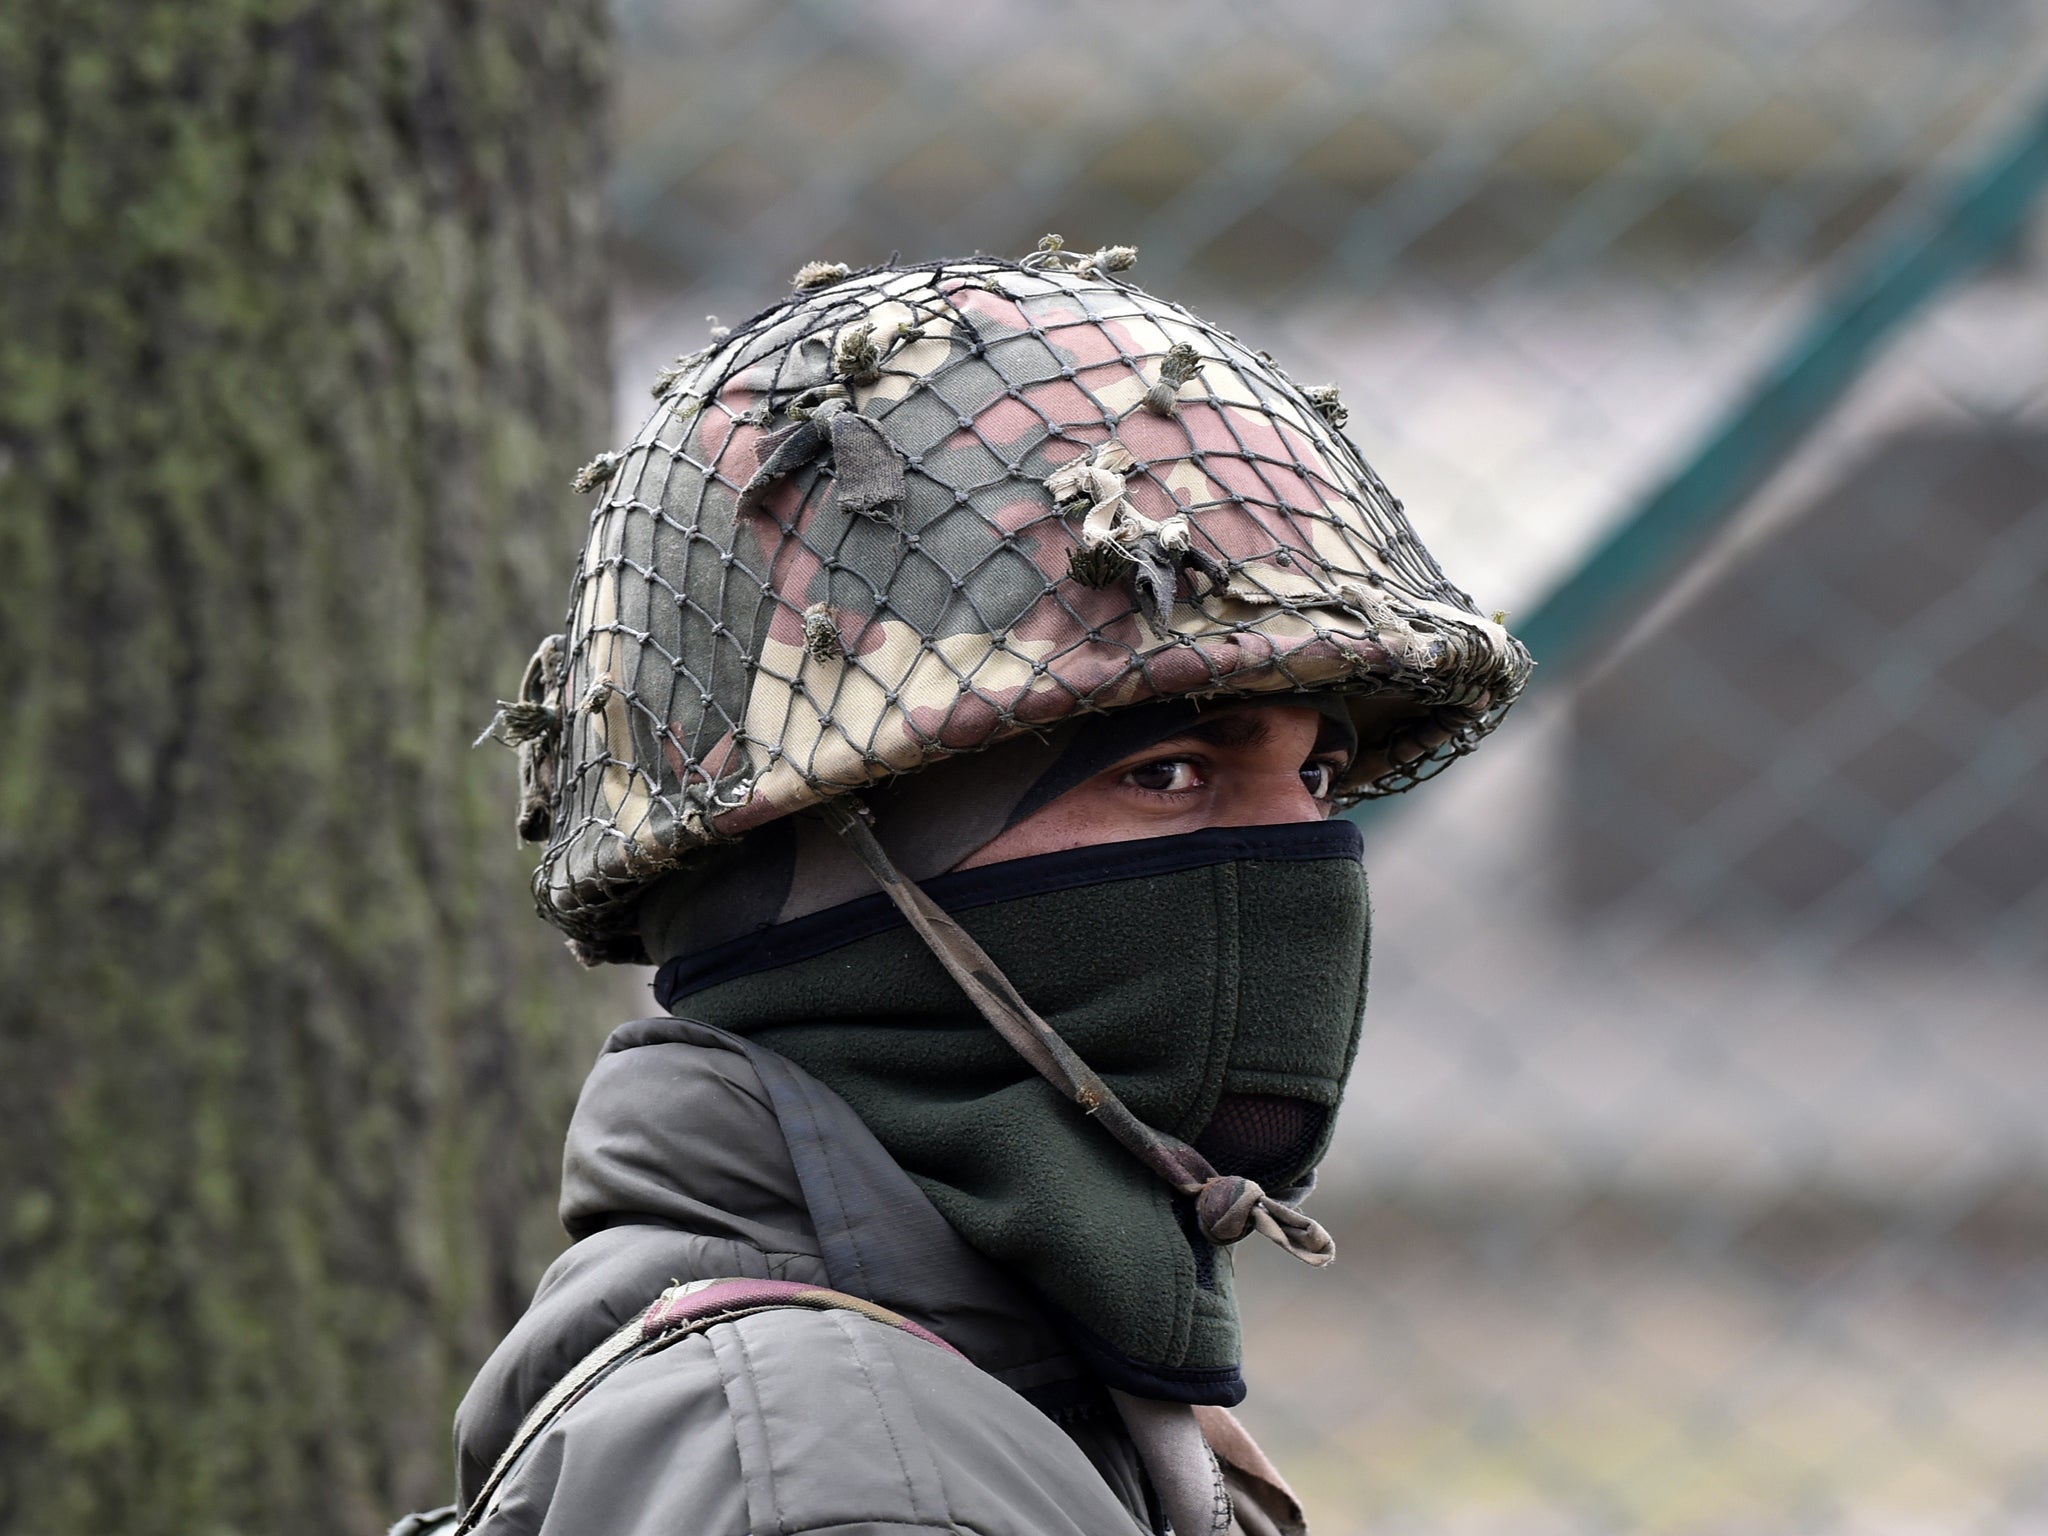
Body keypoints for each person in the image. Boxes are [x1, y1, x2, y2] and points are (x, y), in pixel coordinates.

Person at [413, 241, 1530, 1536]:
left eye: (1322, 778)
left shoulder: (993, 1366)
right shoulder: (845, 1483)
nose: (1305, 863)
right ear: (815, 869)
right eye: (1166, 773)